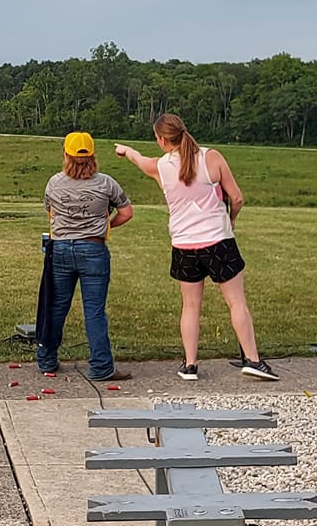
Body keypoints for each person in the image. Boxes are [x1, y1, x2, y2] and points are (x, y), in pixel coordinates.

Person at [115, 114, 279, 381]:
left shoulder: (160, 167)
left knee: (190, 306)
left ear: (161, 139)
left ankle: (190, 365)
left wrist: (126, 151)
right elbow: (236, 198)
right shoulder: (211, 157)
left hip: (183, 245)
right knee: (236, 302)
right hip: (218, 241)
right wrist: (231, 220)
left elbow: (138, 160)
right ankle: (253, 360)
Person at [38, 132, 134, 381]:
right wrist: (105, 226)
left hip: (60, 250)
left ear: (66, 155)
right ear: (92, 155)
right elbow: (127, 212)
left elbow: (50, 211)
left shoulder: (54, 183)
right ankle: (101, 367)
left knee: (57, 306)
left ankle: (47, 360)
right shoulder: (106, 183)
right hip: (94, 249)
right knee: (94, 311)